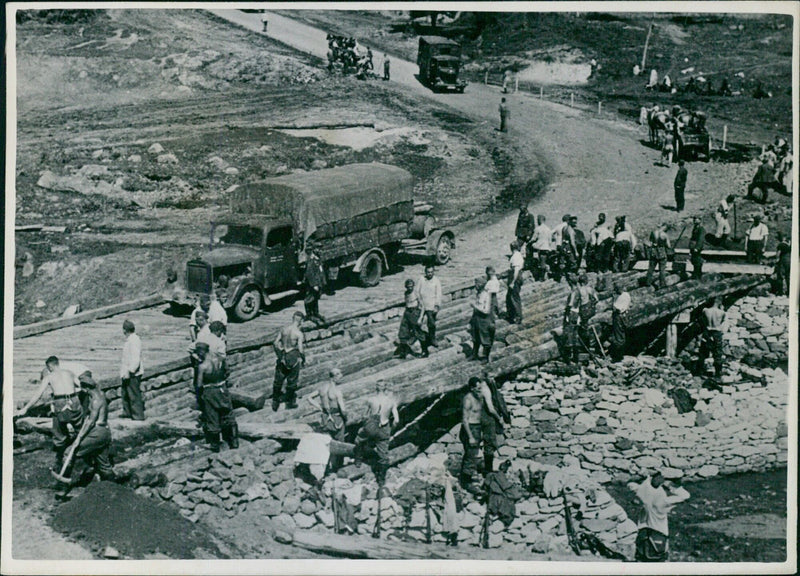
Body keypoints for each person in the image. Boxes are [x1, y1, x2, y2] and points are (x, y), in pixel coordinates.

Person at [16, 356, 85, 473]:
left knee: (58, 431)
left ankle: (60, 459)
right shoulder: (69, 373)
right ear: (58, 364)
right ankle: (85, 454)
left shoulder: (49, 376)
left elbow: (38, 395)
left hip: (60, 403)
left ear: (50, 367)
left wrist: (26, 409)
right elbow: (81, 387)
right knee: (80, 429)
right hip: (74, 401)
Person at [53, 372, 116, 492]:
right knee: (103, 464)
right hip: (105, 432)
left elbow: (91, 422)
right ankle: (114, 489)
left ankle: (63, 487)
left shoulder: (96, 401)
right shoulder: (100, 394)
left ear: (86, 388)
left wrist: (79, 438)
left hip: (98, 432)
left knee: (68, 453)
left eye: (82, 388)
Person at [628, 472, 690, 562]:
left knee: (642, 558)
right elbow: (686, 496)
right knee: (658, 557)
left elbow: (632, 485)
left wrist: (647, 479)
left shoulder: (644, 498)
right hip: (660, 534)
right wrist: (670, 485)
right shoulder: (664, 502)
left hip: (643, 533)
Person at [459, 376, 503, 494]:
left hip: (477, 427)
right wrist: (470, 436)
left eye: (480, 388)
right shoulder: (468, 400)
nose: (480, 390)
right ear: (472, 388)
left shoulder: (479, 397)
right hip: (470, 429)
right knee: (471, 454)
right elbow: (464, 420)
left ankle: (469, 478)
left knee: (472, 454)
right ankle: (466, 482)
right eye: (477, 389)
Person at [354, 381, 398, 487]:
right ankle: (381, 479)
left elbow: (364, 416)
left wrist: (365, 427)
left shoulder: (371, 400)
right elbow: (396, 420)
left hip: (371, 427)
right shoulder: (391, 401)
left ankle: (358, 459)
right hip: (384, 427)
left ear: (376, 388)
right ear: (385, 388)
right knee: (383, 454)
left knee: (358, 440)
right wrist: (390, 431)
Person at [195, 341, 238, 452]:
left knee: (212, 416)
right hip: (222, 388)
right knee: (228, 413)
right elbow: (227, 372)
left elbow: (199, 384)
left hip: (210, 391)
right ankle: (234, 441)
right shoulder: (220, 360)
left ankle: (215, 445)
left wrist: (199, 396)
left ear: (201, 352)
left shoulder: (203, 366)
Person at [314, 368, 348, 470]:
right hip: (336, 418)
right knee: (340, 442)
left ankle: (326, 466)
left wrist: (320, 407)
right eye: (339, 376)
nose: (340, 378)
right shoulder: (337, 392)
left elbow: (309, 398)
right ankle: (338, 467)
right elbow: (343, 409)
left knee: (327, 442)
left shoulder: (322, 388)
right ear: (335, 377)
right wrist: (345, 418)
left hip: (325, 417)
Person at [273, 311, 306, 411]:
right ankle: (289, 402)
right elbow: (300, 349)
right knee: (292, 380)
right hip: (292, 355)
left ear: (293, 318)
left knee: (279, 379)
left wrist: (279, 354)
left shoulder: (284, 329)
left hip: (283, 354)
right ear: (301, 321)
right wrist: (303, 358)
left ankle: (275, 401)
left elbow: (275, 343)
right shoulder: (298, 333)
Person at [395, 279, 428, 358]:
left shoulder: (416, 293)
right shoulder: (406, 293)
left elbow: (423, 306)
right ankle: (404, 352)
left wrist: (420, 318)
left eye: (411, 287)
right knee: (403, 332)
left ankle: (425, 351)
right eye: (408, 287)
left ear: (413, 286)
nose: (409, 288)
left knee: (418, 332)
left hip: (415, 312)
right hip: (407, 313)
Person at [695, 297, 726, 379]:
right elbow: (722, 322)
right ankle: (718, 373)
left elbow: (702, 321)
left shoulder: (705, 311)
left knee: (703, 352)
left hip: (708, 331)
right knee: (717, 353)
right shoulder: (722, 312)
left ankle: (699, 372)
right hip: (717, 332)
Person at [120, 319, 145, 420]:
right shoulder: (130, 340)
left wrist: (130, 371)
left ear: (125, 330)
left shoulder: (134, 340)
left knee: (134, 395)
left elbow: (136, 358)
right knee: (125, 394)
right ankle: (128, 413)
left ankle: (138, 416)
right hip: (127, 372)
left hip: (132, 373)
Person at [415, 265, 442, 349]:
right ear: (425, 272)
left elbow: (438, 294)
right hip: (422, 305)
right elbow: (416, 291)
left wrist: (436, 305)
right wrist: (419, 300)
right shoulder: (421, 279)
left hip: (431, 305)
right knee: (417, 322)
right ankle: (419, 338)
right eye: (428, 272)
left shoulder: (436, 281)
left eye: (431, 272)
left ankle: (432, 338)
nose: (429, 274)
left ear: (433, 272)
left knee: (431, 324)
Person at [469, 277, 494, 363]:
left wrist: (474, 306)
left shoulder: (486, 295)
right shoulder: (478, 294)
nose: (475, 286)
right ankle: (474, 354)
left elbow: (486, 310)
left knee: (485, 338)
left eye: (476, 284)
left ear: (480, 285)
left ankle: (485, 357)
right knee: (475, 337)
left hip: (484, 320)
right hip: (476, 318)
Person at [304, 244, 327, 326]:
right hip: (312, 284)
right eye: (318, 249)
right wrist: (314, 285)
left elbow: (321, 271)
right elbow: (309, 274)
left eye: (320, 249)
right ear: (314, 250)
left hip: (318, 283)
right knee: (310, 298)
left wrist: (323, 282)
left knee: (316, 298)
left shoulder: (318, 259)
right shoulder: (311, 260)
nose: (320, 251)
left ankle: (315, 313)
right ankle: (309, 314)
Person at [576, 273, 599, 350]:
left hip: (583, 310)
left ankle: (585, 345)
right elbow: (596, 299)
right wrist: (592, 305)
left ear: (581, 282)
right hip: (590, 310)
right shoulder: (590, 289)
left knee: (583, 326)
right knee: (587, 325)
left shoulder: (579, 290)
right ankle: (590, 343)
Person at [646, 223, 672, 290]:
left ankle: (648, 282)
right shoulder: (665, 235)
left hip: (653, 252)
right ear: (665, 227)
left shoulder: (653, 232)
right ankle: (662, 284)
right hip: (662, 253)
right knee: (662, 270)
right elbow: (668, 246)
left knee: (651, 269)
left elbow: (649, 243)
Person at [562, 278, 582, 364]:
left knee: (568, 335)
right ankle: (576, 357)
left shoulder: (573, 292)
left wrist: (566, 313)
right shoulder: (579, 291)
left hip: (571, 314)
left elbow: (570, 304)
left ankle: (568, 359)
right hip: (577, 313)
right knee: (575, 334)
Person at [610, 283, 630, 362]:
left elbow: (616, 309)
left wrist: (613, 300)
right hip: (624, 316)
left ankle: (618, 357)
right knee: (621, 335)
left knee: (618, 336)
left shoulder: (621, 297)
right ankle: (619, 355)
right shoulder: (627, 295)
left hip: (619, 315)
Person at [505, 242, 525, 324]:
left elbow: (516, 270)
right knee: (509, 296)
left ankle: (518, 316)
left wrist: (513, 282)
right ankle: (512, 315)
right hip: (517, 277)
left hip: (515, 278)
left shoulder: (515, 256)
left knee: (514, 297)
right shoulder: (518, 255)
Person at [530, 215, 553, 280]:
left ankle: (542, 277)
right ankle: (546, 275)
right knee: (544, 261)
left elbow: (534, 238)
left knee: (541, 261)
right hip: (547, 247)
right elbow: (550, 240)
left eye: (537, 219)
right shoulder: (548, 229)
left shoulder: (538, 229)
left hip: (540, 247)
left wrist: (530, 242)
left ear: (540, 220)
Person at [773, 232, 791, 296]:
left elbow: (778, 254)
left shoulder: (781, 245)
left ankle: (780, 292)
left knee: (780, 276)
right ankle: (789, 292)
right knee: (788, 276)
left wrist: (776, 261)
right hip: (790, 260)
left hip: (783, 260)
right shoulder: (790, 244)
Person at [688, 215, 705, 280]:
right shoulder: (695, 228)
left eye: (696, 219)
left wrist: (697, 248)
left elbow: (700, 239)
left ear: (700, 220)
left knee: (697, 261)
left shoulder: (701, 229)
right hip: (693, 247)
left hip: (696, 248)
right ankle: (695, 274)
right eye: (694, 219)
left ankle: (697, 276)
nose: (694, 220)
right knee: (694, 261)